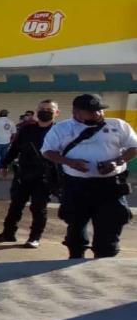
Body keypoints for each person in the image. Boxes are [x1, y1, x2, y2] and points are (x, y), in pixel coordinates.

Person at [42, 94, 137, 259]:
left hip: (110, 186)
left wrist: (117, 161)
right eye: (91, 111)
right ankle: (76, 255)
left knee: (111, 224)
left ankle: (105, 257)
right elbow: (48, 151)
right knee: (75, 225)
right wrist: (69, 162)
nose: (98, 114)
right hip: (77, 185)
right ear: (76, 111)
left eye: (100, 110)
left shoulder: (118, 125)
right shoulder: (62, 128)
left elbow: (133, 147)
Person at [0, 100, 60, 248]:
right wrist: (4, 164)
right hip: (23, 173)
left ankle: (34, 238)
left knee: (38, 207)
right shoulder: (27, 129)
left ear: (56, 113)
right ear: (37, 110)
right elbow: (15, 148)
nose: (45, 111)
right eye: (42, 109)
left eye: (49, 109)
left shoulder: (59, 131)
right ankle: (8, 234)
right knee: (15, 205)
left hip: (44, 175)